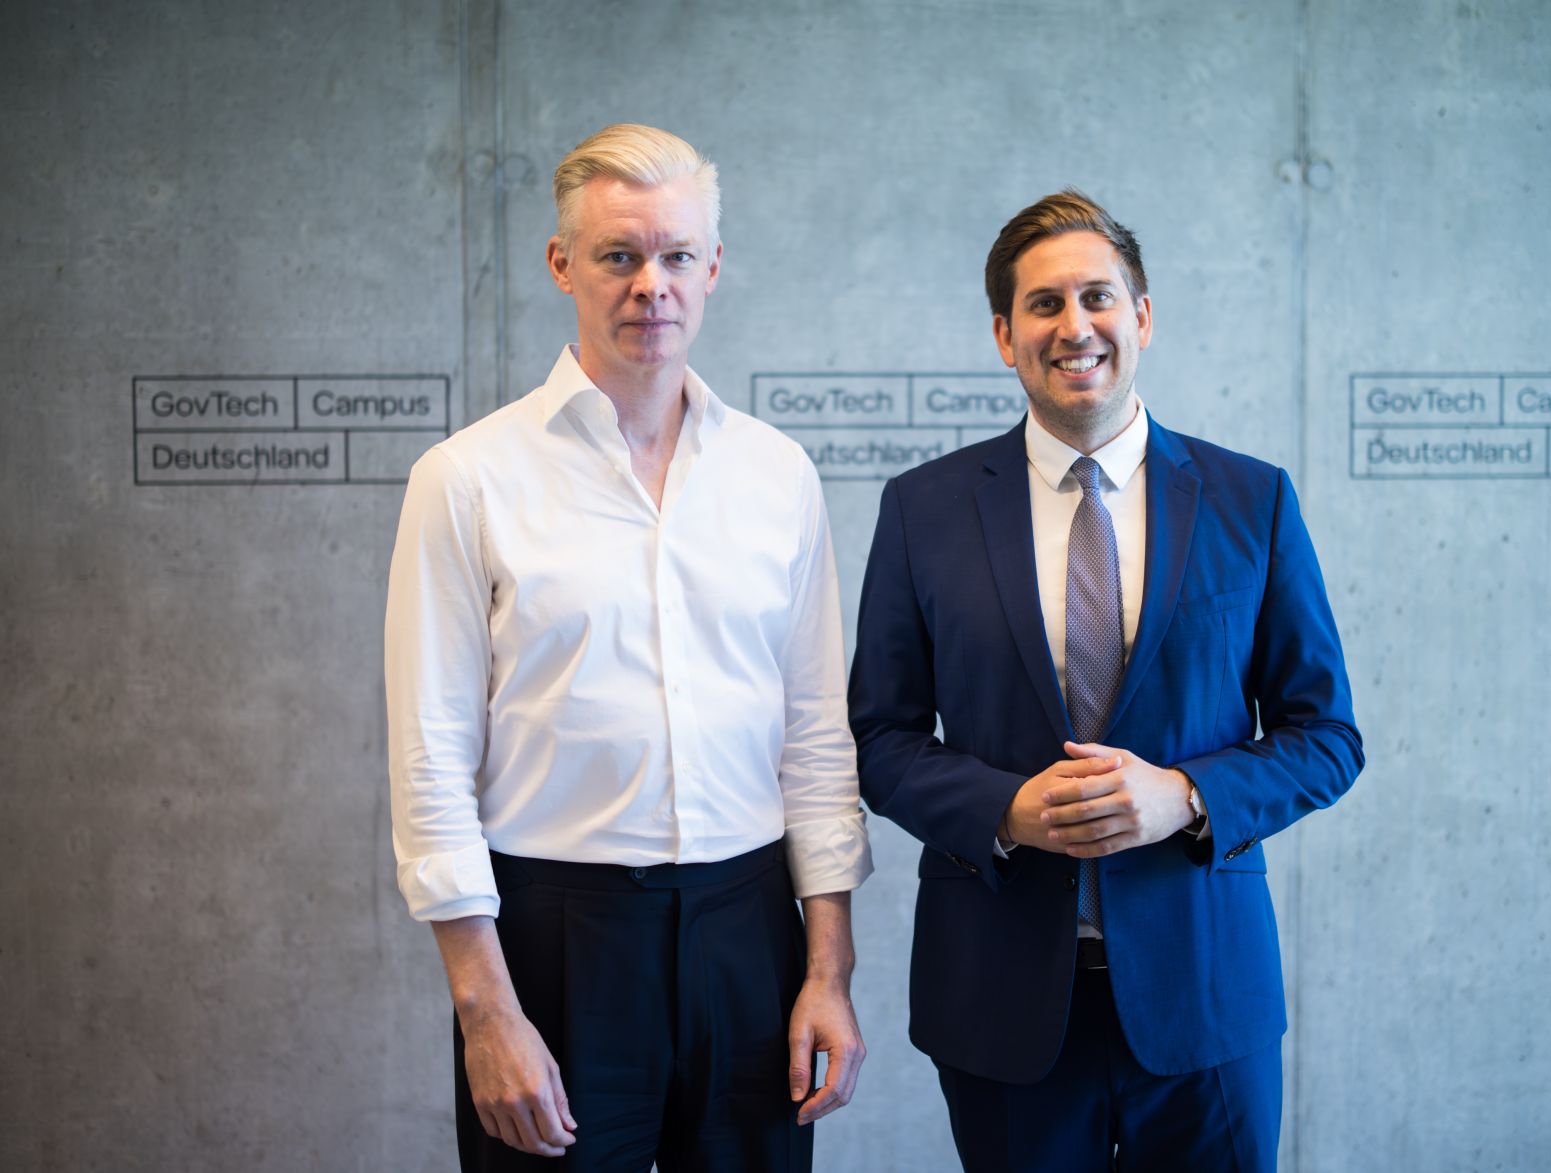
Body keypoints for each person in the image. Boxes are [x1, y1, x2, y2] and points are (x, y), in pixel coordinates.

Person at [386, 123, 872, 1171]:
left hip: (750, 934)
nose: (650, 284)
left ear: (712, 268)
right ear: (561, 264)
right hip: (555, 943)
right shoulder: (466, 479)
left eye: (676, 256)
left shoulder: (776, 474)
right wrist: (485, 1014)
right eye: (618, 256)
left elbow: (815, 740)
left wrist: (825, 970)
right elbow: (428, 766)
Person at [848, 189, 1363, 1172]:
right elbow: (879, 736)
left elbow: (1324, 734)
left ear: (1142, 316)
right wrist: (1006, 809)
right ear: (1004, 336)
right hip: (1001, 1001)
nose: (1072, 325)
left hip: (1204, 996)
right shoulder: (925, 510)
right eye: (1042, 305)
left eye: (1097, 297)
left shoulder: (1249, 499)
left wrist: (1182, 795)